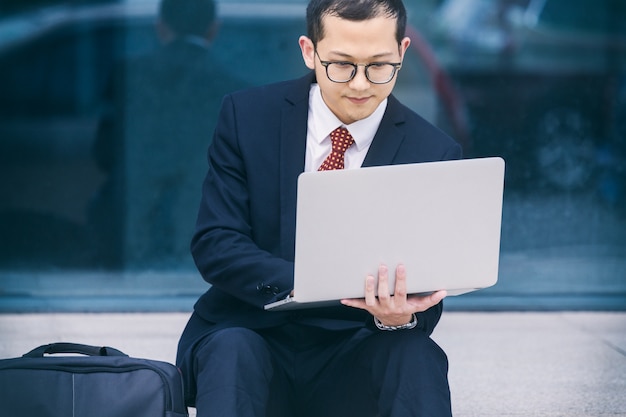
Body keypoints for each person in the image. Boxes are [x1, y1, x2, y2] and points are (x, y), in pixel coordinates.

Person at [176, 0, 462, 416]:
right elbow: (216, 243)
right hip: (251, 331)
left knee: (415, 354)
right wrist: (308, 283)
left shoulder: (433, 151)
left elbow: (426, 287)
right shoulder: (247, 116)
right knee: (233, 349)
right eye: (342, 65)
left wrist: (398, 317)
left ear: (402, 52)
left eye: (379, 66)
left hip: (356, 348)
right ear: (310, 51)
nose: (361, 85)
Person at [91, 0, 244, 268]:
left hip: (130, 230)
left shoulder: (127, 76)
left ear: (160, 28)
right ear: (213, 29)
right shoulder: (233, 90)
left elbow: (103, 153)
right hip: (199, 233)